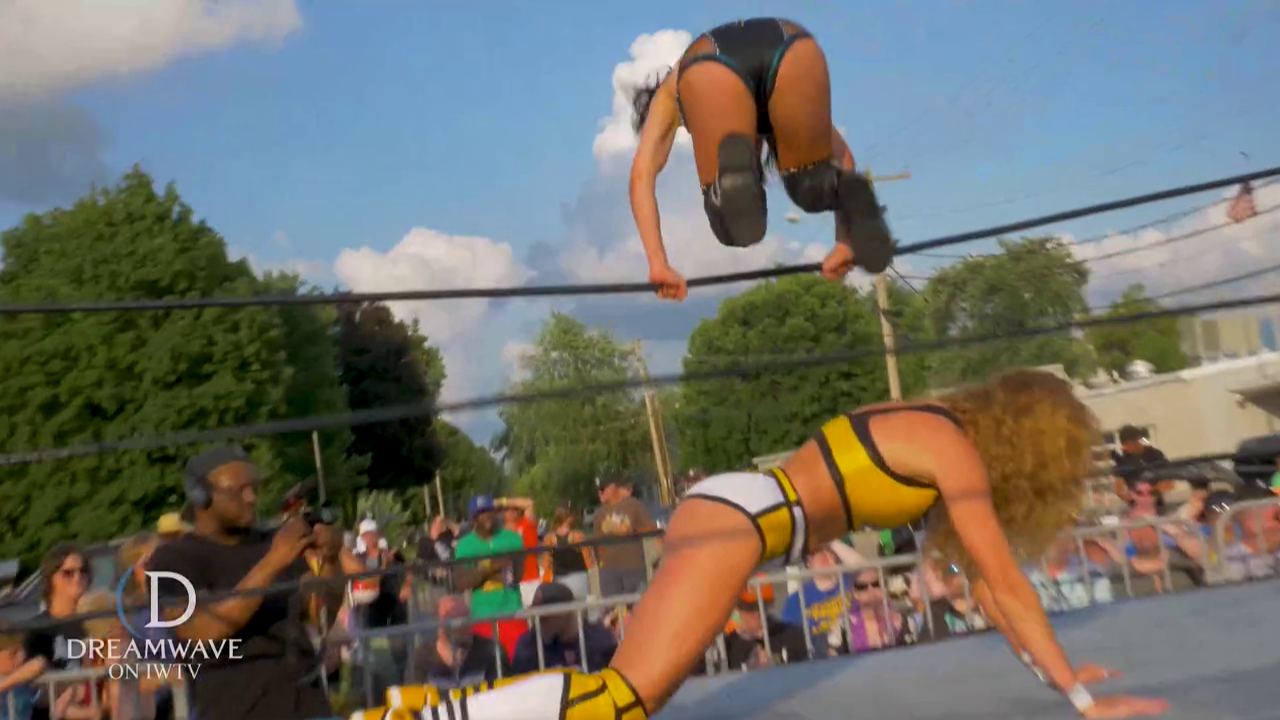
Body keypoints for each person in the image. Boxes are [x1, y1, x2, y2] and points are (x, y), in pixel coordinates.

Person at [357, 369, 1170, 719]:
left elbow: (990, 592)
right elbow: (1006, 580)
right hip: (748, 522)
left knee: (628, 695)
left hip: (739, 507)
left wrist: (1060, 675)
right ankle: (419, 716)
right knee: (620, 702)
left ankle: (420, 710)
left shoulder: (924, 426)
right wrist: (1082, 700)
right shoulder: (950, 450)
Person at [627, 17, 893, 301]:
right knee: (812, 183)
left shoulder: (670, 94)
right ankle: (751, 173)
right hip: (791, 44)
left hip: (711, 63)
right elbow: (844, 158)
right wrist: (845, 241)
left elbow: (641, 176)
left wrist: (657, 263)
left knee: (734, 227)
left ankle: (731, 179)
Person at [144, 446, 332, 720]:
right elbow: (201, 631)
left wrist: (331, 559)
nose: (251, 497)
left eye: (253, 488)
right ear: (200, 495)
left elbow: (321, 614)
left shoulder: (273, 541)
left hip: (309, 709)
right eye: (239, 490)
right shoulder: (172, 559)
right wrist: (273, 561)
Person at [0, 543, 92, 720]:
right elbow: (35, 679)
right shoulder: (39, 628)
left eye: (83, 571)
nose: (78, 577)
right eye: (68, 573)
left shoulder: (96, 620)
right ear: (51, 578)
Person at [452, 495, 526, 659]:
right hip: (482, 616)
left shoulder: (513, 538)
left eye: (489, 511)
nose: (487, 516)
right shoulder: (465, 545)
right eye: (481, 513)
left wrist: (478, 570)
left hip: (512, 611)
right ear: (474, 518)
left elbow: (516, 575)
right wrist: (491, 567)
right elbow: (461, 582)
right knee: (488, 666)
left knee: (519, 663)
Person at [405, 595, 511, 689]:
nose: (461, 626)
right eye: (452, 620)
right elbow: (414, 698)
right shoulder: (422, 657)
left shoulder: (492, 652)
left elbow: (505, 693)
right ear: (438, 623)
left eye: (466, 619)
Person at [510, 583, 616, 675]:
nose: (537, 623)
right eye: (534, 617)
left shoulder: (600, 641)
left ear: (564, 612)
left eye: (543, 618)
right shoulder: (529, 645)